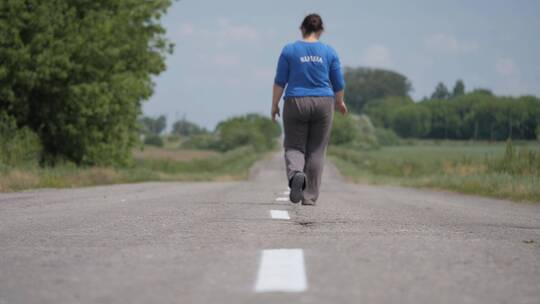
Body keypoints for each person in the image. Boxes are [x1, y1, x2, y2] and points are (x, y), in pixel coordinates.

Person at [271, 13, 347, 206]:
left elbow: (280, 81)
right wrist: (340, 103)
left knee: (294, 146)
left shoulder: (289, 50)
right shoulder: (329, 52)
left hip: (295, 100)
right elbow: (338, 83)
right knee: (317, 150)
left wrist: (274, 105)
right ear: (320, 31)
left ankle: (296, 174)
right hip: (323, 101)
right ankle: (309, 196)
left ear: (302, 29)